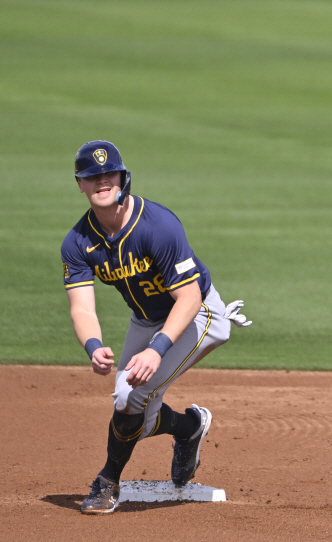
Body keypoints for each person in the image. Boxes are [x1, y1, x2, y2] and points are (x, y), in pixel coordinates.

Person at [61, 140, 252, 514]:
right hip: (147, 320)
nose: (102, 182)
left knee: (133, 400)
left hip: (199, 314)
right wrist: (93, 345)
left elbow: (190, 297)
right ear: (80, 184)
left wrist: (156, 348)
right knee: (128, 407)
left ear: (123, 178)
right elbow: (81, 308)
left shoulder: (157, 226)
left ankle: (107, 482)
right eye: (92, 176)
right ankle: (189, 427)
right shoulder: (78, 242)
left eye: (108, 174)